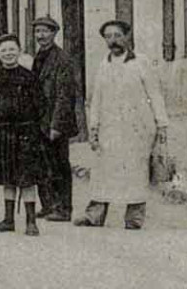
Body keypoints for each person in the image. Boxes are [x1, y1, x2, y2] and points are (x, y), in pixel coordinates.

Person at [80, 20, 169, 230]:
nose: (113, 41)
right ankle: (94, 216)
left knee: (135, 171)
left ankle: (134, 218)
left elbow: (154, 94)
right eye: (108, 36)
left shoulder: (141, 62)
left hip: (137, 128)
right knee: (103, 170)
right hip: (109, 128)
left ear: (127, 37)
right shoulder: (103, 64)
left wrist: (161, 124)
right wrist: (93, 127)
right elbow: (96, 99)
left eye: (117, 35)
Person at [0, 35, 49, 236]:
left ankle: (31, 222)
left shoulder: (29, 77)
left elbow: (40, 105)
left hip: (25, 133)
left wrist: (28, 124)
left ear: (19, 52)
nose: (8, 54)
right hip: (1, 132)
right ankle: (8, 219)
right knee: (7, 177)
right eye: (3, 51)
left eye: (12, 50)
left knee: (27, 178)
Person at [31, 15, 80, 222]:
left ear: (54, 33)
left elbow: (64, 95)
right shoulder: (39, 56)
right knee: (41, 163)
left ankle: (64, 208)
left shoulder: (62, 59)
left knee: (59, 164)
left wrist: (57, 125)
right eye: (38, 32)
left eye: (45, 31)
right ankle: (48, 204)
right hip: (38, 120)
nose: (41, 35)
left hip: (54, 121)